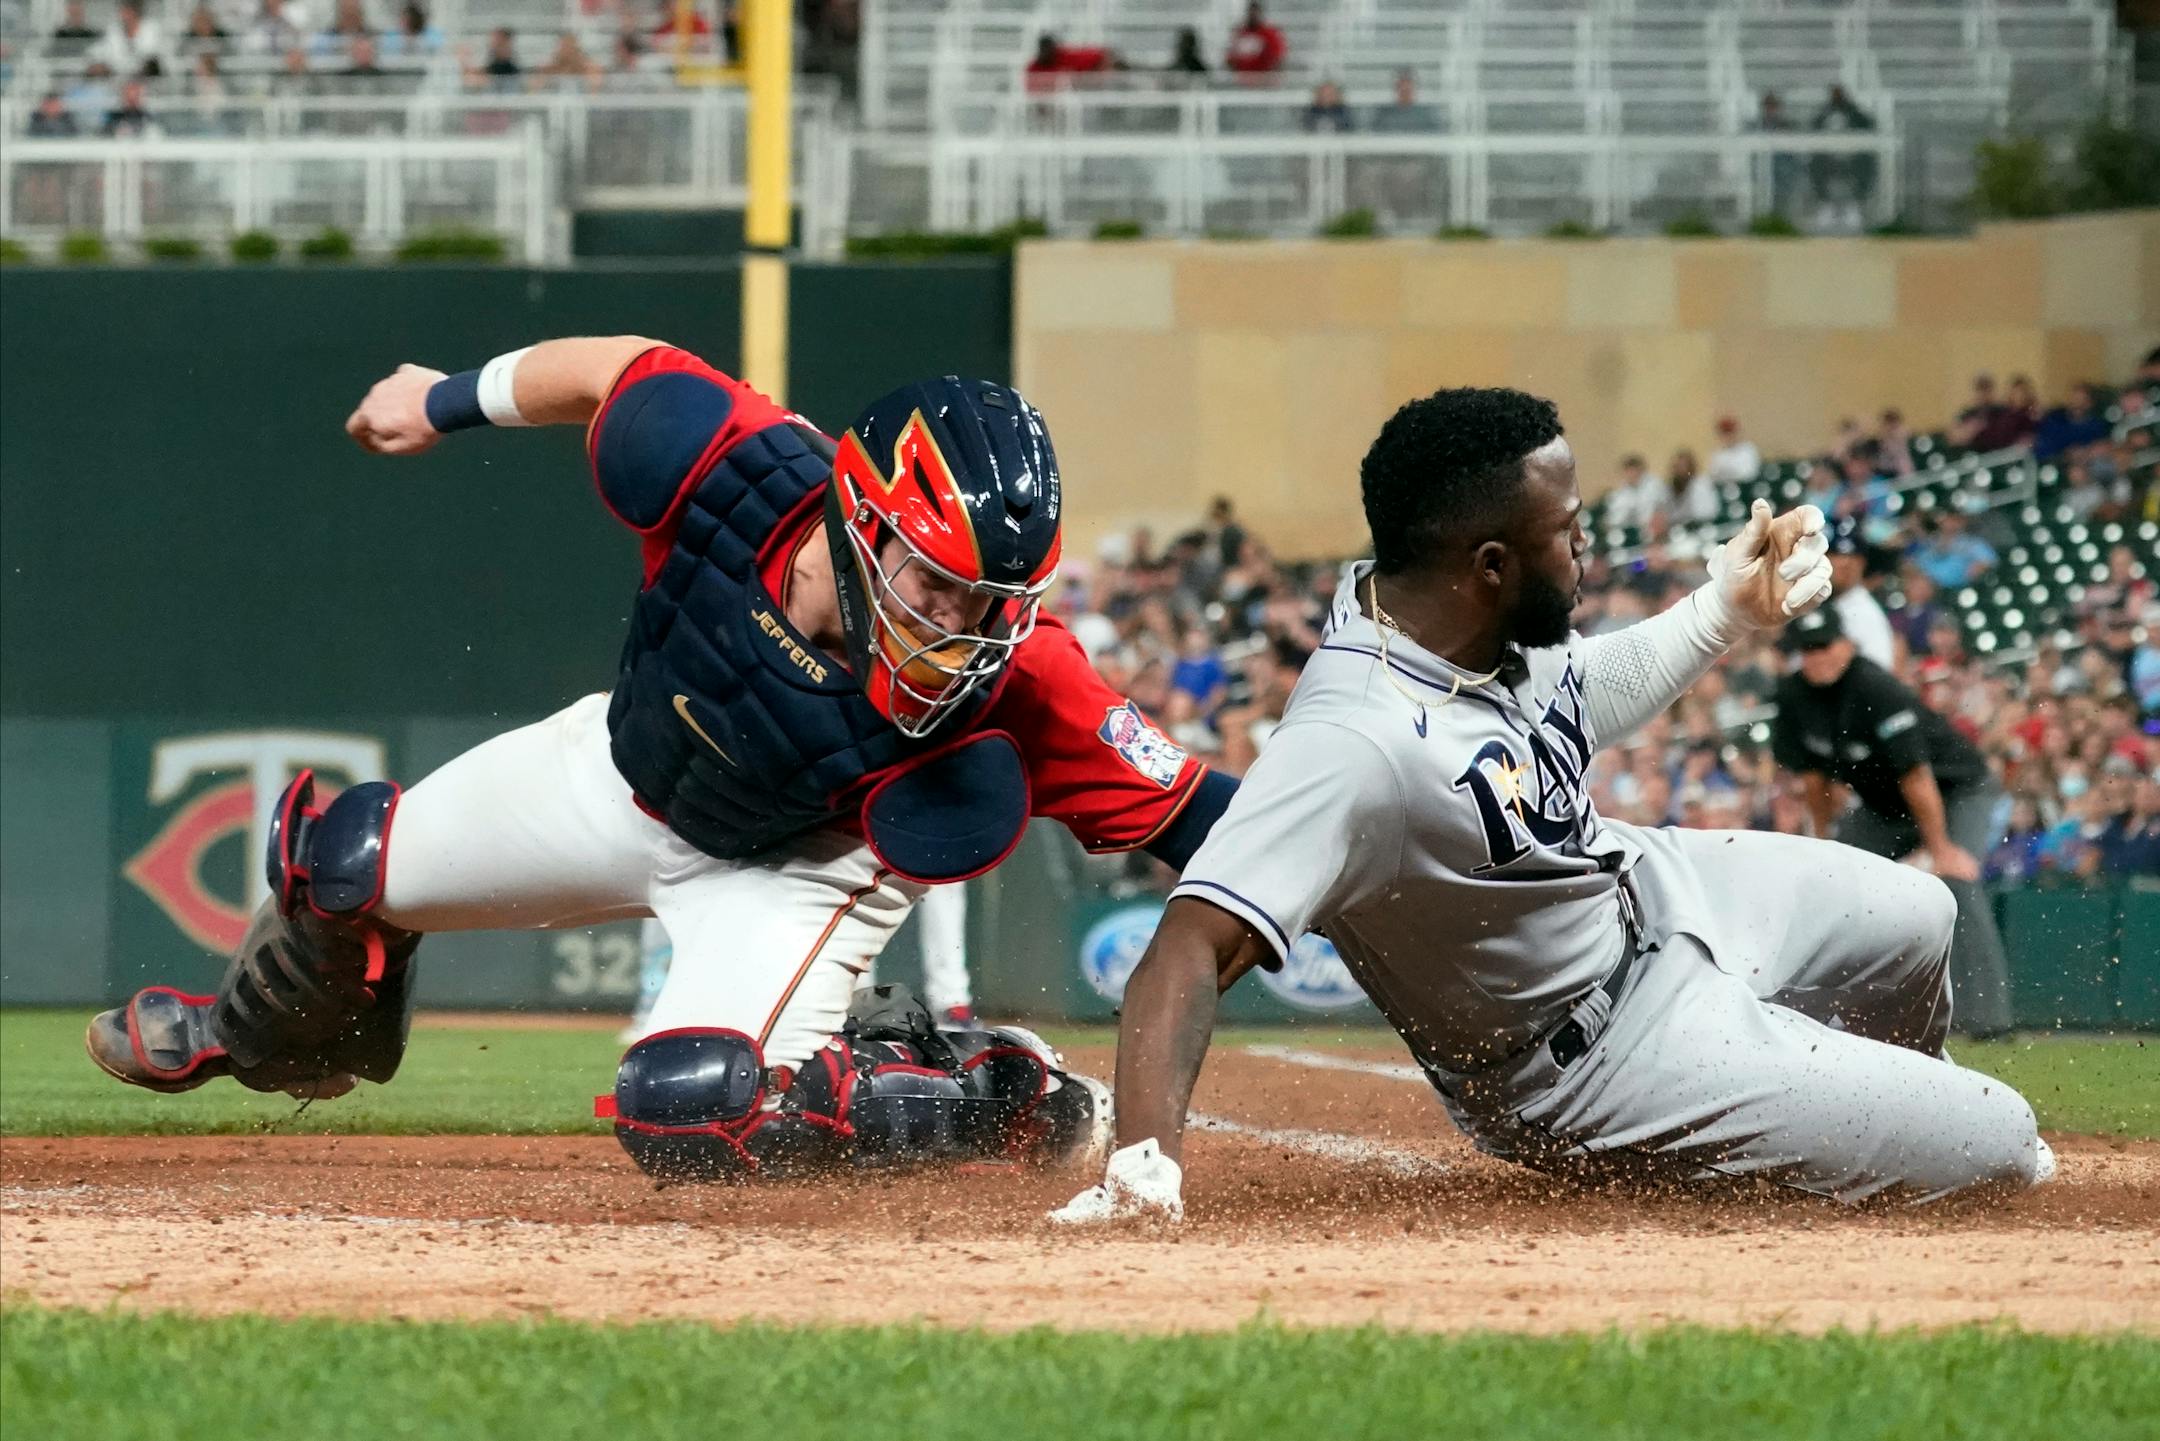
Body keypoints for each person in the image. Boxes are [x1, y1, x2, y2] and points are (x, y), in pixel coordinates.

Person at [85, 341, 1241, 1187]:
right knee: (344, 862)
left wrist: (1384, 842)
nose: (962, 625)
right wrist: (440, 401)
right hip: (614, 772)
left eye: (994, 600)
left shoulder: (1027, 676)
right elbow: (614, 367)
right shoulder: (736, 465)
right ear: (863, 518)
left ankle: (1005, 1096)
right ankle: (262, 1036)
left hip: (797, 869)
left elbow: (1206, 818)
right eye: (938, 586)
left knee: (697, 1116)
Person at [1055, 387, 2048, 1226]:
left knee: (1926, 914)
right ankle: (1873, 1125)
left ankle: (1878, 1104)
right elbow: (1188, 944)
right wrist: (1143, 1165)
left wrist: (1726, 612)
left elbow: (1585, 688)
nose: (1585, 548)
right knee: (2004, 1142)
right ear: (1490, 564)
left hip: (1658, 890)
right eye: (1567, 532)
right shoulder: (1350, 743)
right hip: (1592, 1058)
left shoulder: (1459, 619)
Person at [1770, 605, 2015, 1037]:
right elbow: (1814, 781)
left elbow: (1916, 774)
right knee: (1832, 881)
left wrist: (1940, 849)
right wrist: (1824, 841)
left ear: (1847, 645)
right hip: (1884, 806)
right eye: (1806, 649)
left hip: (1954, 790)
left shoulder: (1874, 687)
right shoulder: (1793, 696)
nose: (1817, 657)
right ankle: (1829, 1014)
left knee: (1955, 882)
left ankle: (1989, 1019)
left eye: (1824, 645)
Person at [1825, 518, 1897, 670]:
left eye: (1849, 560)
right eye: (1833, 556)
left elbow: (1879, 674)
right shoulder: (1813, 602)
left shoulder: (1866, 614)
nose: (1842, 566)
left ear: (1860, 564)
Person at [1808, 84, 1876, 232]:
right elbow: (1813, 129)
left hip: (1852, 160)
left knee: (1865, 167)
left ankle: (1854, 208)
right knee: (1815, 166)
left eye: (1839, 95)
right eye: (1835, 95)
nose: (1837, 98)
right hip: (1828, 162)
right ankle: (1826, 206)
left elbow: (1868, 125)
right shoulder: (1824, 114)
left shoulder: (1854, 114)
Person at [1910, 510, 1997, 590]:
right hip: (1930, 589)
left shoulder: (1973, 543)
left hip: (1961, 589)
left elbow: (1988, 563)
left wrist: (1969, 576)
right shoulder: (1929, 542)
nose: (1950, 523)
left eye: (1955, 520)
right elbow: (1914, 564)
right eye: (1947, 519)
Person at [1224, 3, 1286, 77]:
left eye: (1255, 13)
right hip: (1242, 80)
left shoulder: (1270, 34)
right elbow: (1230, 58)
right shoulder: (1240, 33)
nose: (1252, 16)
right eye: (1250, 13)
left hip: (1264, 80)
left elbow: (1277, 59)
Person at [1705, 414, 1761, 485]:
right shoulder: (1717, 453)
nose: (1728, 436)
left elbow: (1749, 474)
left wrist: (1726, 473)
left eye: (1730, 432)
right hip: (1722, 489)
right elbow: (1712, 475)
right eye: (1724, 433)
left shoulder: (1748, 449)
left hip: (1744, 488)